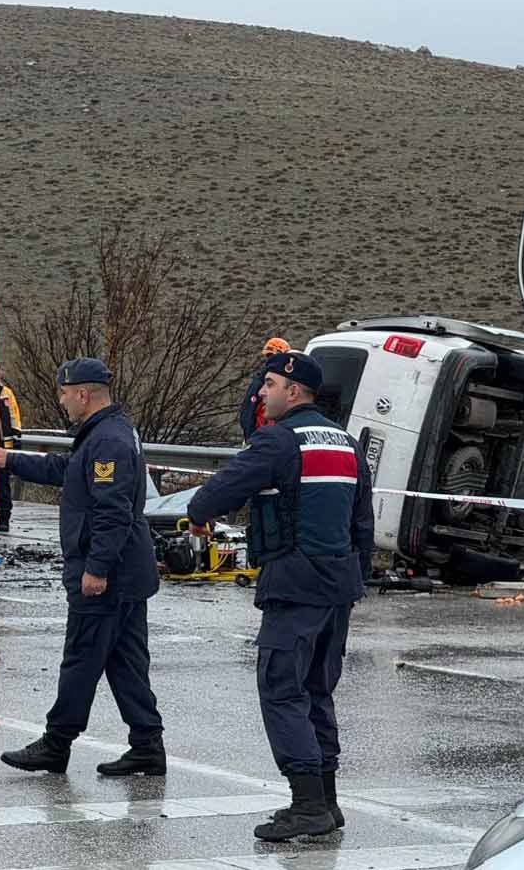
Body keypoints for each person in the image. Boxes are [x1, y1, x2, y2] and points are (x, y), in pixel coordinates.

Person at [186, 350, 373, 842]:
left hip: (294, 584)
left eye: (267, 385)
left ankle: (307, 804)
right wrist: (357, 580)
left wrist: (201, 510)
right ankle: (328, 801)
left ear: (293, 391)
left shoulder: (279, 440)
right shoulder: (348, 444)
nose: (261, 394)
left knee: (281, 688)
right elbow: (363, 524)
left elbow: (210, 498)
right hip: (339, 587)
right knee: (317, 689)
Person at [0, 357, 165, 776]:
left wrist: (97, 569)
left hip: (110, 576)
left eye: (64, 393)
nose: (62, 401)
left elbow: (112, 512)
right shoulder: (102, 434)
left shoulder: (110, 441)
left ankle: (57, 743)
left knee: (82, 658)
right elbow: (67, 470)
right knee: (126, 661)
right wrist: (9, 460)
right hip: (128, 574)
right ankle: (148, 745)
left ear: (83, 394)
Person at [239, 337, 291, 442]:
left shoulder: (285, 380)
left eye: (273, 356)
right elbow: (248, 411)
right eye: (269, 356)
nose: (271, 360)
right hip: (260, 436)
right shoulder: (260, 381)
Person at [0, 362, 21, 532]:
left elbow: (14, 416)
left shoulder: (6, 393)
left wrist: (16, 436)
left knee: (3, 484)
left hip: (2, 445)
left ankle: (4, 519)